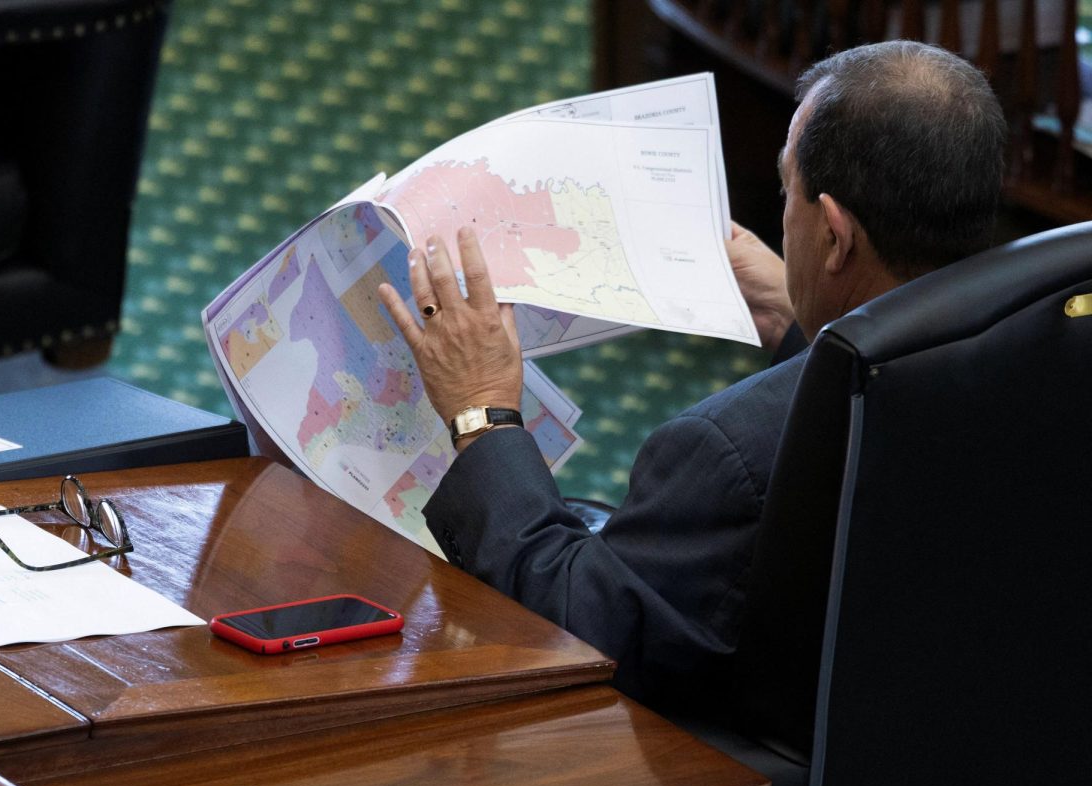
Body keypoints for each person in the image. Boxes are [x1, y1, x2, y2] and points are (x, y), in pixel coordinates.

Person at [376, 41, 1007, 714]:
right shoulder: (1049, 348)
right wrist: (803, 322)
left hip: (759, 783)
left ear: (835, 237)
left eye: (785, 188)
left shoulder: (723, 453)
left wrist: (482, 413)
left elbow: (580, 632)